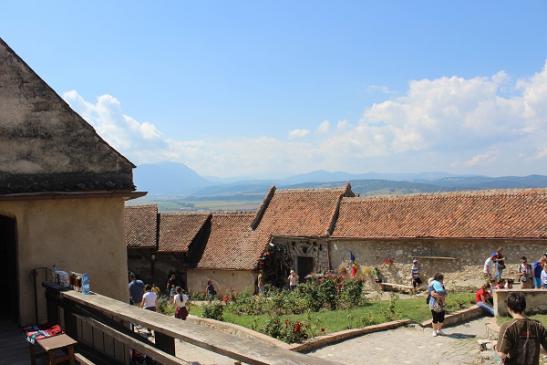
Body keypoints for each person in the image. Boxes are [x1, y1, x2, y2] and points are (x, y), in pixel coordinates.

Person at [496, 292, 547, 365]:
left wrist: (495, 346)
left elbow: (501, 354)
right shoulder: (538, 325)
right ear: (524, 306)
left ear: (509, 308)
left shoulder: (507, 327)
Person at [428, 272, 447, 337]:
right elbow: (433, 294)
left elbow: (445, 293)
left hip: (442, 304)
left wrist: (442, 295)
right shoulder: (432, 285)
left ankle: (439, 330)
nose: (443, 280)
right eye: (442, 279)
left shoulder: (441, 285)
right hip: (434, 304)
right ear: (440, 278)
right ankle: (434, 331)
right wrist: (441, 296)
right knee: (435, 318)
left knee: (441, 318)